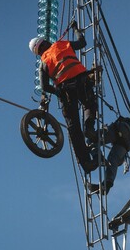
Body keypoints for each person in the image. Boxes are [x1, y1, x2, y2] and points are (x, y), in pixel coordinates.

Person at [28, 22, 98, 173]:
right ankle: (90, 128)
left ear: (38, 52)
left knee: (73, 128)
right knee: (89, 104)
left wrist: (58, 92)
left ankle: (86, 163)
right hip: (81, 80)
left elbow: (45, 86)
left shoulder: (43, 62)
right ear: (45, 42)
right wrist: (75, 29)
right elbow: (82, 42)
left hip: (66, 90)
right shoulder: (62, 44)